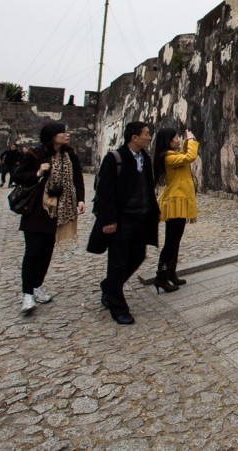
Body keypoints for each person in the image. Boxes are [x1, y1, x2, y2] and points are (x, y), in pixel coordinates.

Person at [88, 122, 160, 325]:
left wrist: (154, 211)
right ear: (134, 137)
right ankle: (117, 306)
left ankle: (109, 286)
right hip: (122, 219)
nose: (148, 137)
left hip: (141, 217)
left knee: (138, 255)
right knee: (118, 262)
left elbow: (147, 186)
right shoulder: (114, 158)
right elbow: (105, 192)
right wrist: (109, 219)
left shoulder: (144, 158)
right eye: (146, 134)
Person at [12, 122, 86, 314]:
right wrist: (39, 172)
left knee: (46, 251)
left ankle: (37, 286)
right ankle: (27, 293)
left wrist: (80, 199)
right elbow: (18, 176)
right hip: (38, 209)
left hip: (59, 210)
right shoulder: (36, 154)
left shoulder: (70, 155)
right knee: (33, 251)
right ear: (52, 136)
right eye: (62, 132)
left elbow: (77, 178)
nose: (66, 134)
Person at [153, 127, 199, 292]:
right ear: (168, 141)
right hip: (175, 202)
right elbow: (190, 156)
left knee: (175, 241)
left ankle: (171, 273)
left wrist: (187, 141)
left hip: (179, 201)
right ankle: (161, 276)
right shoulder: (167, 157)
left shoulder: (173, 155)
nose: (178, 140)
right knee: (171, 242)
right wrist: (192, 140)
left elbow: (185, 156)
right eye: (176, 138)